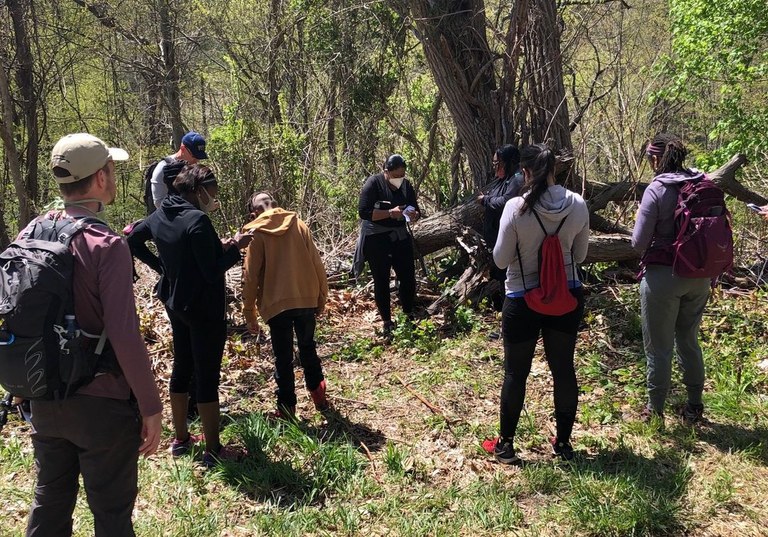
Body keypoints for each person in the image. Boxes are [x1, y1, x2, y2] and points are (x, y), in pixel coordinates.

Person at [25, 133, 163, 536]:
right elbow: (124, 335)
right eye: (113, 169)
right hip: (102, 407)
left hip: (45, 400)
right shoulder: (106, 245)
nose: (115, 175)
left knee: (48, 506)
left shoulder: (33, 232)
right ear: (101, 178)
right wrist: (151, 406)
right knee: (112, 516)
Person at [127, 164, 252, 467]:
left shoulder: (160, 215)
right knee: (207, 375)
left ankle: (181, 439)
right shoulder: (198, 220)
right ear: (198, 190)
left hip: (176, 304)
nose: (215, 195)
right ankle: (213, 450)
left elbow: (132, 241)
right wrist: (236, 248)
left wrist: (162, 268)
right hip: (205, 309)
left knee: (182, 366)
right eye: (213, 190)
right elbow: (211, 271)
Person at [487, 143, 590, 464]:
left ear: (526, 173)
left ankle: (505, 446)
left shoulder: (515, 208)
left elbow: (501, 260)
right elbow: (581, 255)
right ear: (553, 170)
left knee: (516, 373)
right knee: (563, 370)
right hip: (566, 296)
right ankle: (564, 445)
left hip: (521, 299)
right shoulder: (577, 204)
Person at [631, 133, 712, 425]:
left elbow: (639, 243)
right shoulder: (703, 182)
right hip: (700, 275)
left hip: (663, 277)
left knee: (659, 347)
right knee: (689, 340)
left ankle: (655, 411)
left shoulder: (657, 189)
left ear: (655, 159)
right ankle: (694, 407)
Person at [241, 192, 329, 418]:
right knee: (308, 346)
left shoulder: (256, 232)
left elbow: (250, 276)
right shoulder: (299, 224)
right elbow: (316, 263)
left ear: (254, 213)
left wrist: (249, 311)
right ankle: (318, 394)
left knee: (283, 357)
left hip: (276, 303)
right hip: (306, 297)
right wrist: (321, 296)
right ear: (276, 206)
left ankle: (287, 408)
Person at [355, 154, 421, 337]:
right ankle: (387, 322)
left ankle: (408, 315)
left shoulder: (406, 186)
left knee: (408, 277)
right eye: (395, 176)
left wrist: (413, 215)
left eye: (402, 175)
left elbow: (415, 208)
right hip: (377, 239)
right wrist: (389, 213)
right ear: (386, 172)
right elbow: (364, 212)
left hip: (400, 237)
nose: (399, 179)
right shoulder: (373, 184)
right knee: (381, 280)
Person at [477, 144, 525, 311]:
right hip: (498, 241)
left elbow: (506, 202)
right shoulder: (505, 179)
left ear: (510, 162)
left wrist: (486, 200)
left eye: (498, 163)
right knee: (502, 279)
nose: (495, 168)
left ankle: (511, 320)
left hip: (511, 243)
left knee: (509, 281)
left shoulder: (518, 179)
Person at [149, 131, 208, 209]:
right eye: (194, 156)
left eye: (199, 157)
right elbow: (158, 202)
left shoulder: (193, 167)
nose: (196, 160)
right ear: (183, 149)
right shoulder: (162, 168)